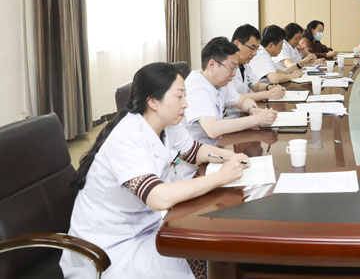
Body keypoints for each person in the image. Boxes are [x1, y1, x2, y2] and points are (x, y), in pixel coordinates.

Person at [60, 62, 251, 279]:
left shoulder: (165, 123)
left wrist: (230, 157)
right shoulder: (127, 138)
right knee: (199, 255)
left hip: (143, 228)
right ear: (152, 101)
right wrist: (220, 177)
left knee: (204, 251)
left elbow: (194, 151)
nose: (186, 104)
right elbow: (158, 198)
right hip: (109, 248)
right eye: (179, 96)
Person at [183, 37, 277, 145]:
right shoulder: (196, 88)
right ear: (212, 65)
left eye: (235, 68)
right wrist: (257, 119)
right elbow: (212, 129)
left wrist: (253, 109)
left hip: (213, 144)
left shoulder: (218, 84)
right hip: (195, 151)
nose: (234, 74)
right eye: (231, 67)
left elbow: (242, 101)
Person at [229, 24, 286, 102]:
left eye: (256, 49)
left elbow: (257, 85)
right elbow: (231, 97)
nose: (255, 53)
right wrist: (267, 94)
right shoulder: (224, 66)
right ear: (237, 44)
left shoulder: (245, 65)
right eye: (252, 48)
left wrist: (270, 87)